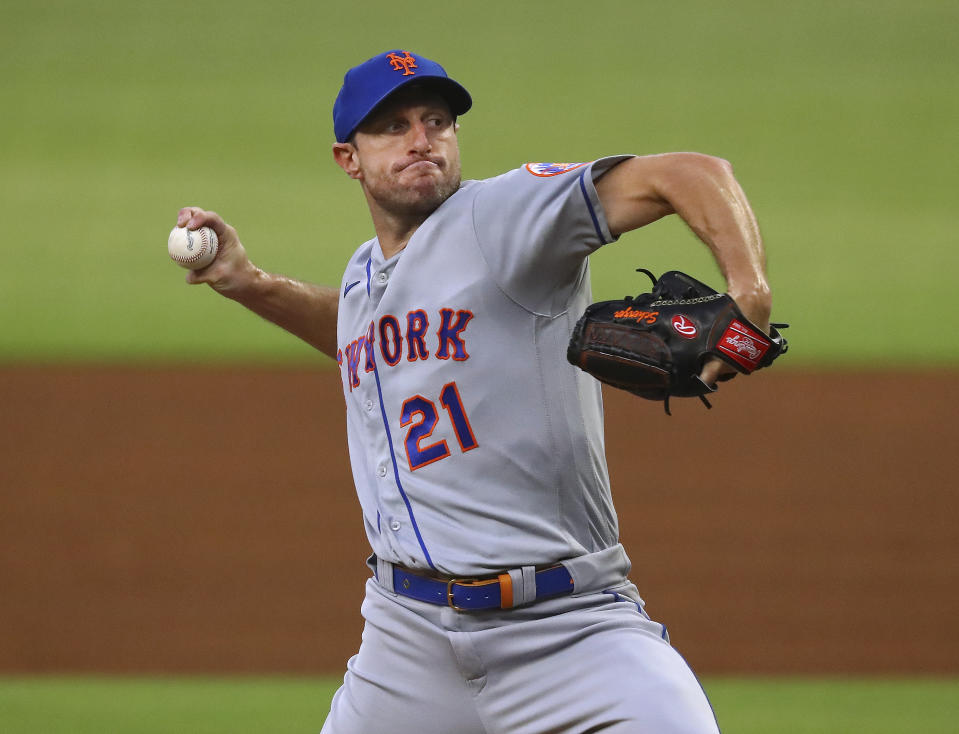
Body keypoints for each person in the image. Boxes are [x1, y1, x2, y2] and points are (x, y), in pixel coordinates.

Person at [175, 49, 772, 734]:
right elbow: (364, 337)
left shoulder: (504, 217)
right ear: (349, 158)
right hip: (405, 646)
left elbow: (690, 172)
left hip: (568, 630)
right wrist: (250, 283)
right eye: (393, 127)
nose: (421, 140)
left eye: (436, 121)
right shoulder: (367, 273)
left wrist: (747, 293)